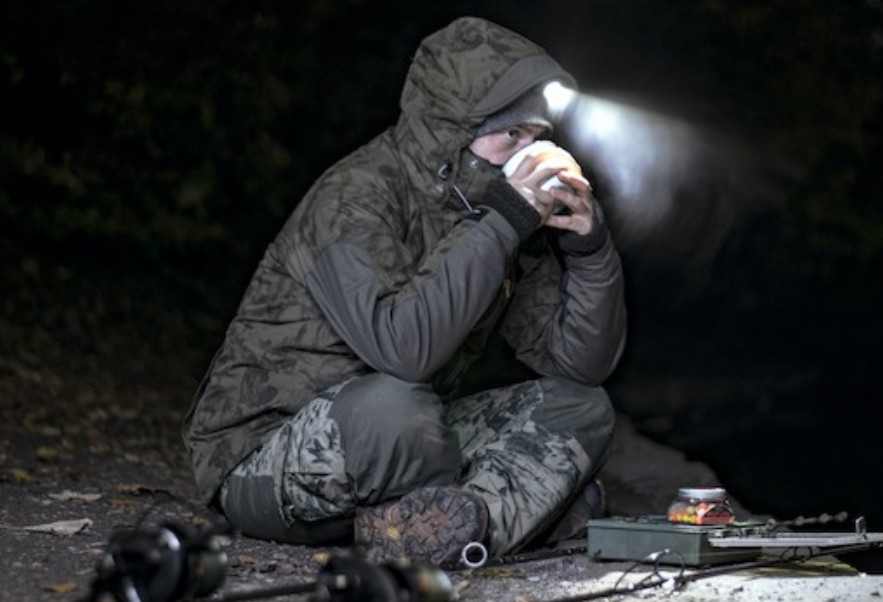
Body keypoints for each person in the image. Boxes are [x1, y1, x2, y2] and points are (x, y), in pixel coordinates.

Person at [183, 16, 627, 567]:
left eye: (536, 137)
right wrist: (503, 221)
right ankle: (497, 516)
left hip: (405, 440)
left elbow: (577, 366)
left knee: (583, 407)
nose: (527, 152)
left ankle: (450, 526)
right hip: (266, 450)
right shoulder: (355, 195)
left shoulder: (497, 213)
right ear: (452, 128)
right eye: (511, 134)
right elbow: (404, 350)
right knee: (396, 406)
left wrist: (590, 250)